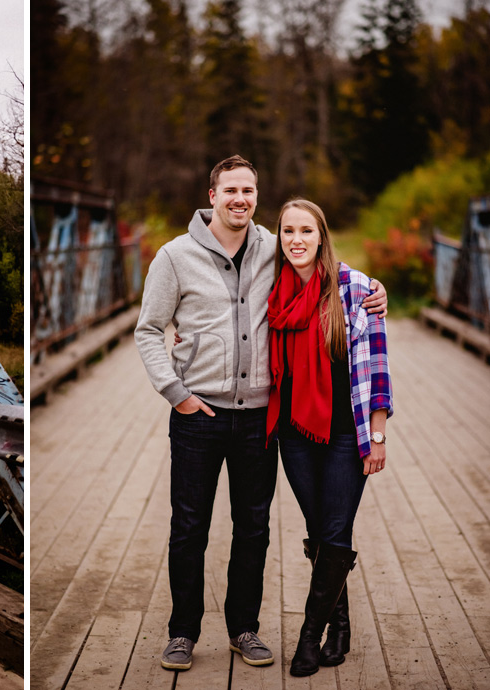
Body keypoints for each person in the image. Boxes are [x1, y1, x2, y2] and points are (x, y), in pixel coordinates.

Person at [134, 155, 387, 672]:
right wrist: (175, 392)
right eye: (230, 191)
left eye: (248, 191)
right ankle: (182, 632)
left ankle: (243, 628)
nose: (240, 199)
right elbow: (148, 330)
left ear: (256, 197)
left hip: (260, 417)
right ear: (212, 195)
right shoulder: (174, 257)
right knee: (189, 527)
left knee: (253, 528)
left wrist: (375, 290)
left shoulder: (273, 249)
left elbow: (320, 264)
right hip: (197, 415)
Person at [266, 199, 391, 676]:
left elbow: (377, 367)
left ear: (321, 236)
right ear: (278, 238)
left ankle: (307, 638)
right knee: (321, 532)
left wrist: (377, 434)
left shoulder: (355, 288)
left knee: (335, 531)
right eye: (287, 231)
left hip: (346, 433)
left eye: (306, 231)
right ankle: (340, 624)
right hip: (294, 434)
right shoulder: (270, 292)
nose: (296, 240)